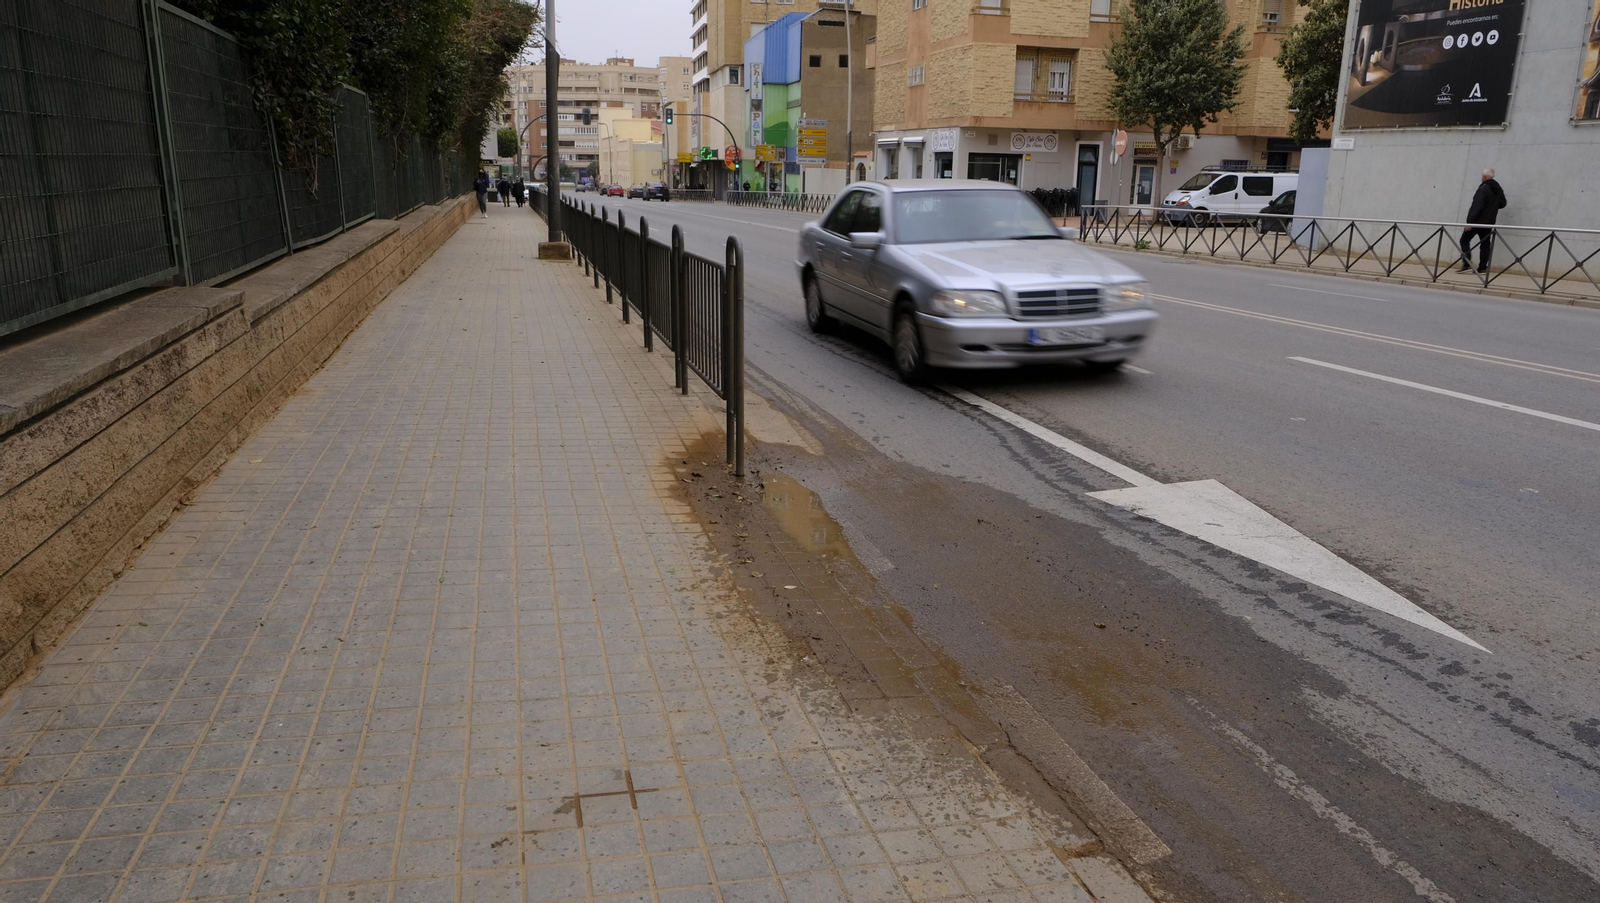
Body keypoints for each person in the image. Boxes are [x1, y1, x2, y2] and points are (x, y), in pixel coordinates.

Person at [1460, 168, 1506, 274]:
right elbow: (1503, 204)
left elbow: (1476, 206)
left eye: (1482, 176)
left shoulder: (1483, 188)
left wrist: (1469, 222)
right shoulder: (1499, 189)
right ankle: (1483, 268)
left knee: (1464, 240)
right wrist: (1492, 207)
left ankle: (1467, 263)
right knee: (1485, 244)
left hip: (1477, 222)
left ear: (1484, 177)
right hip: (1489, 222)